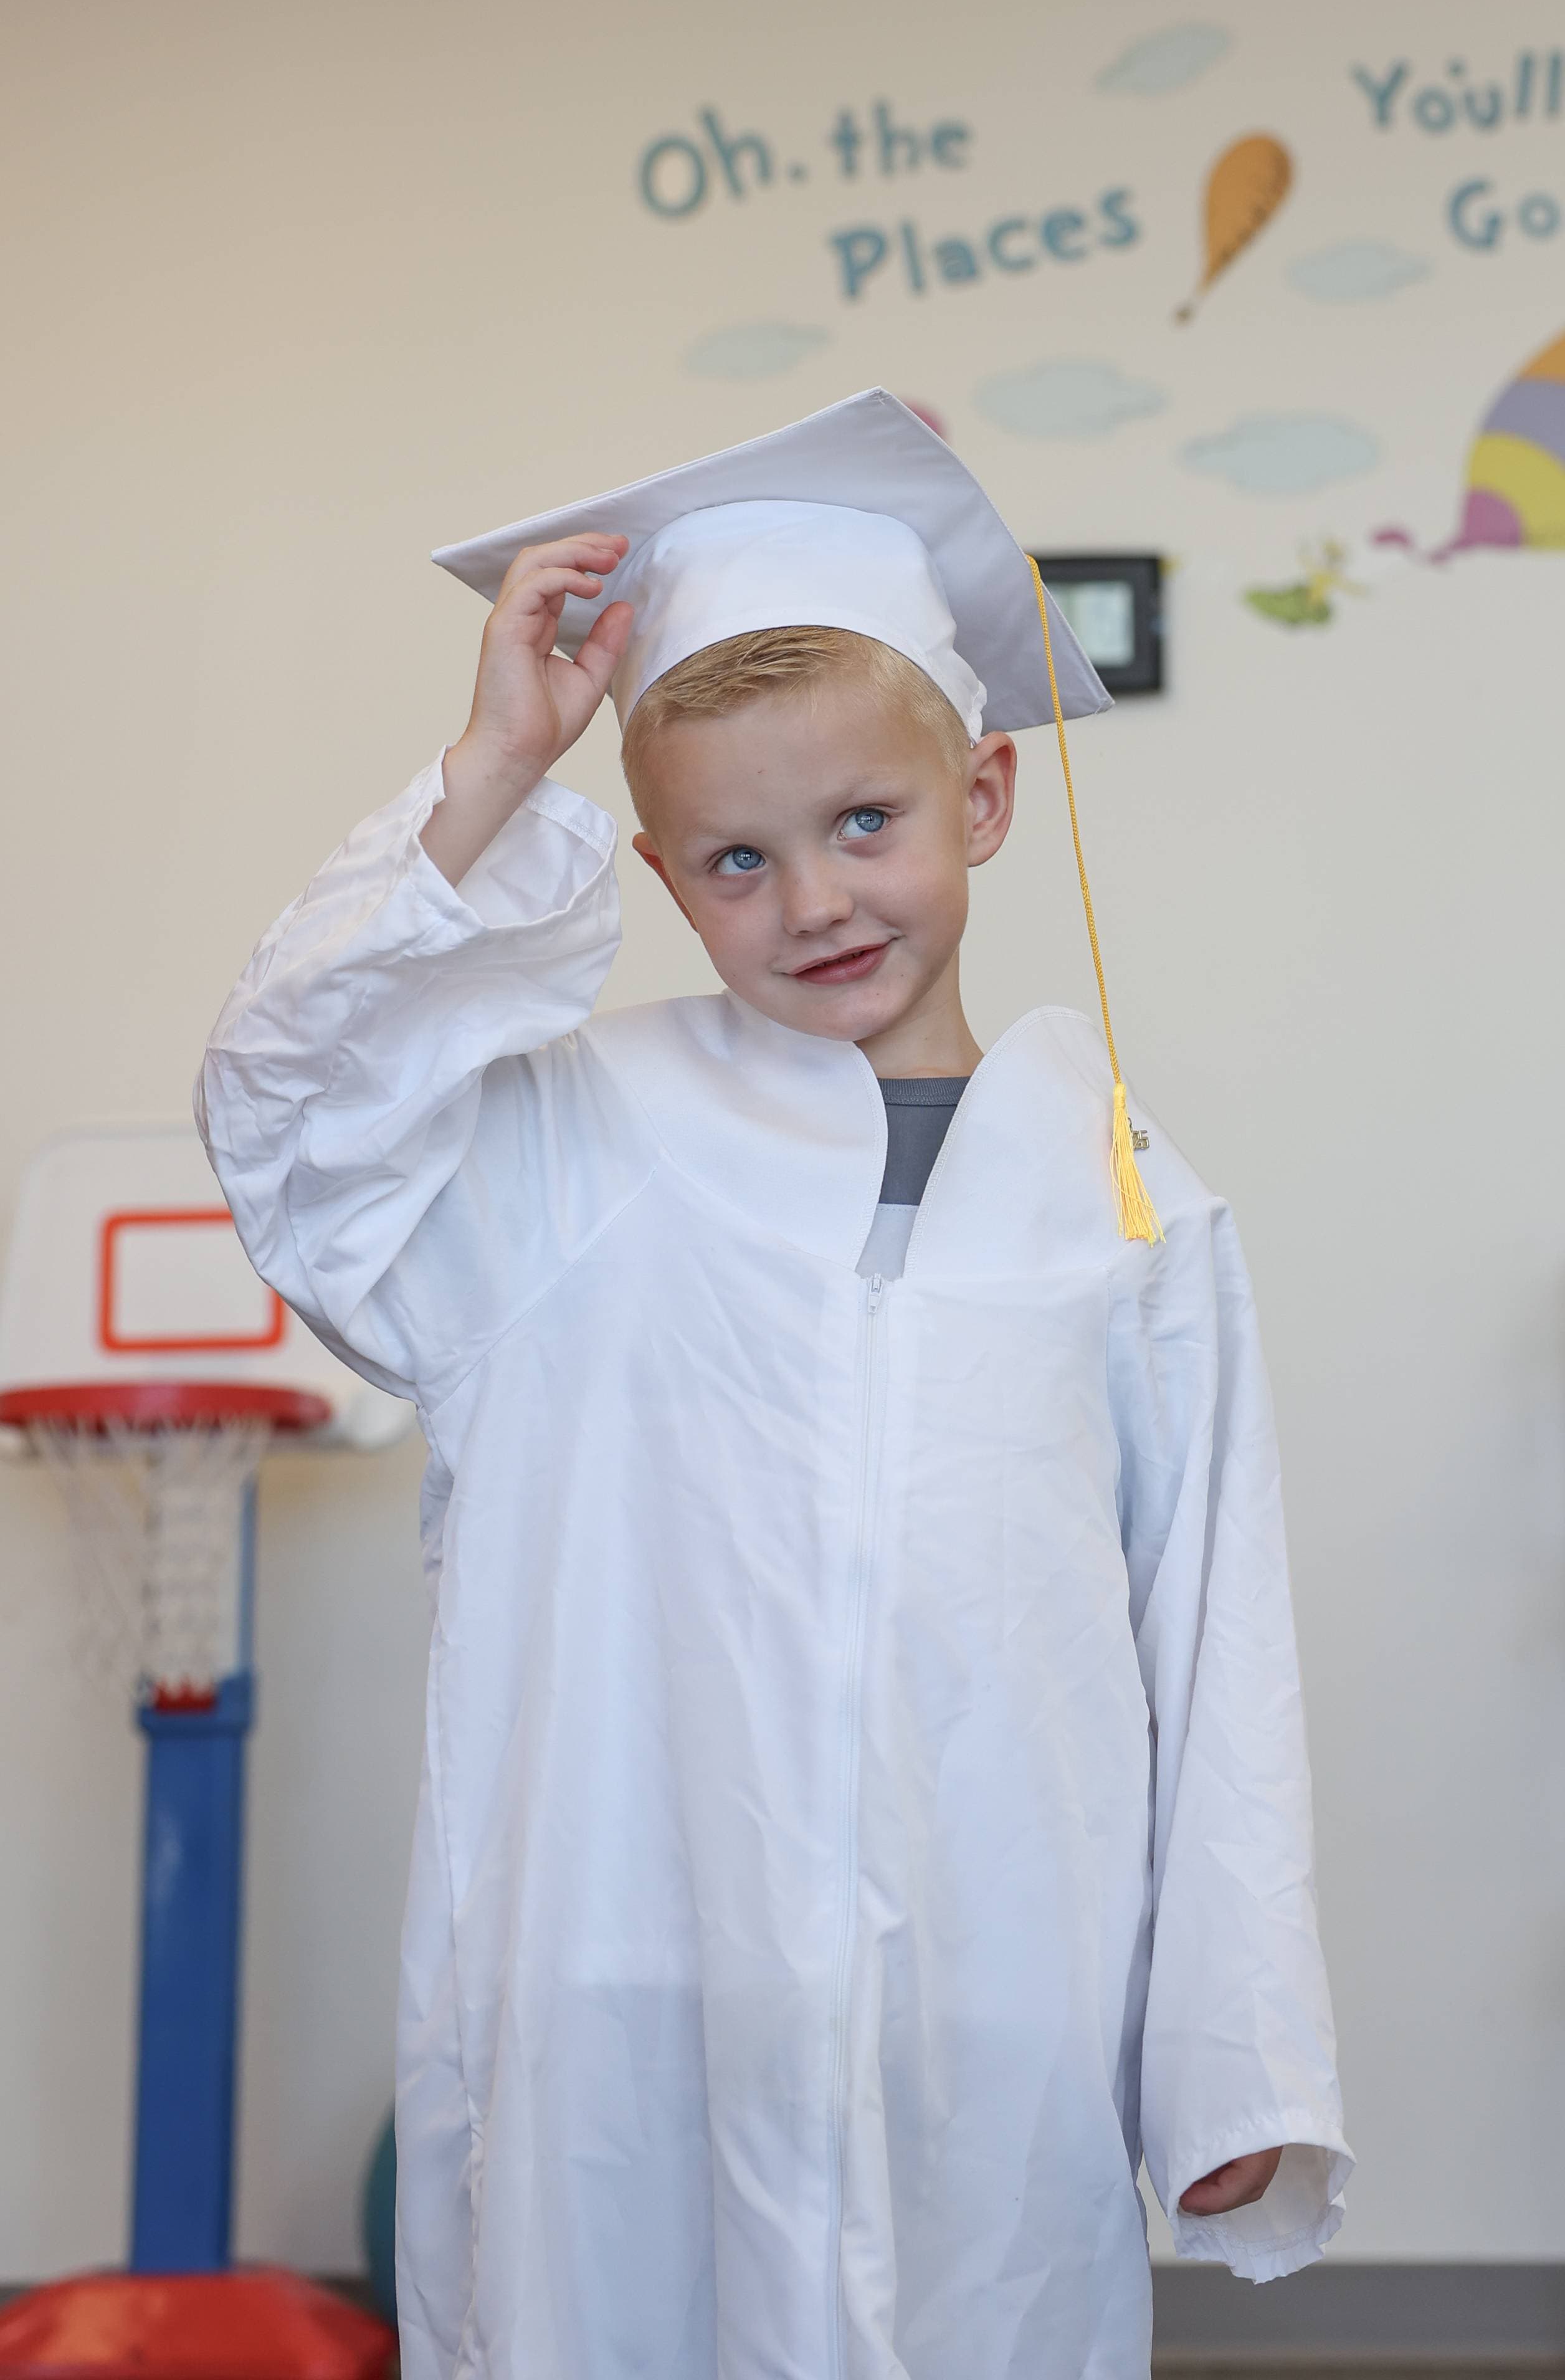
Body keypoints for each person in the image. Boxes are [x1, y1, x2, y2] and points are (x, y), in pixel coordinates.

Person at [196, 389, 1347, 2380]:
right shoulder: (568, 1152)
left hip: (992, 2002)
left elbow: (1214, 1644)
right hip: (629, 1980)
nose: (813, 900)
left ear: (985, 796)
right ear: (657, 870)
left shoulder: (1129, 1210)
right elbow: (294, 1134)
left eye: (866, 825)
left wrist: (1236, 2065)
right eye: (735, 858)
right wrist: (488, 770)